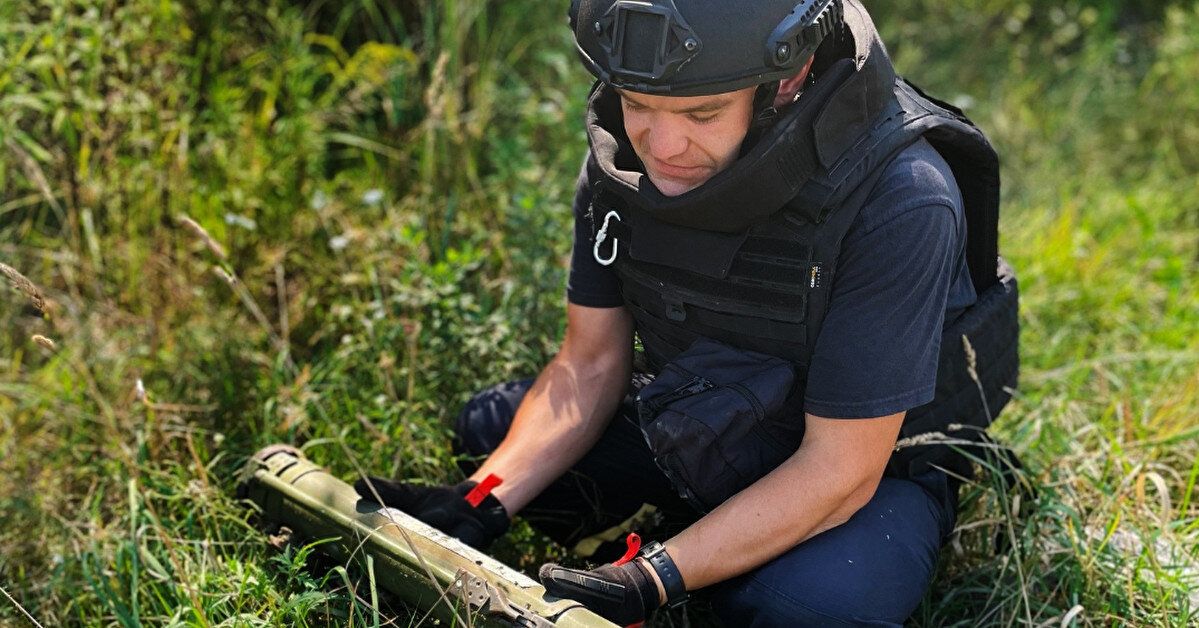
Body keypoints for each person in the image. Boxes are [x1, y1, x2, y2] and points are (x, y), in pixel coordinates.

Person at [357, 0, 1019, 625]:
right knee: (487, 431)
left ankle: (728, 556)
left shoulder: (900, 199)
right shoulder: (624, 156)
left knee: (809, 609)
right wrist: (478, 500)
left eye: (701, 115)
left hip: (858, 467)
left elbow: (841, 469)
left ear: (787, 81)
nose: (661, 143)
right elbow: (589, 362)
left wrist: (652, 579)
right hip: (706, 421)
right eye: (639, 104)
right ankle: (713, 537)